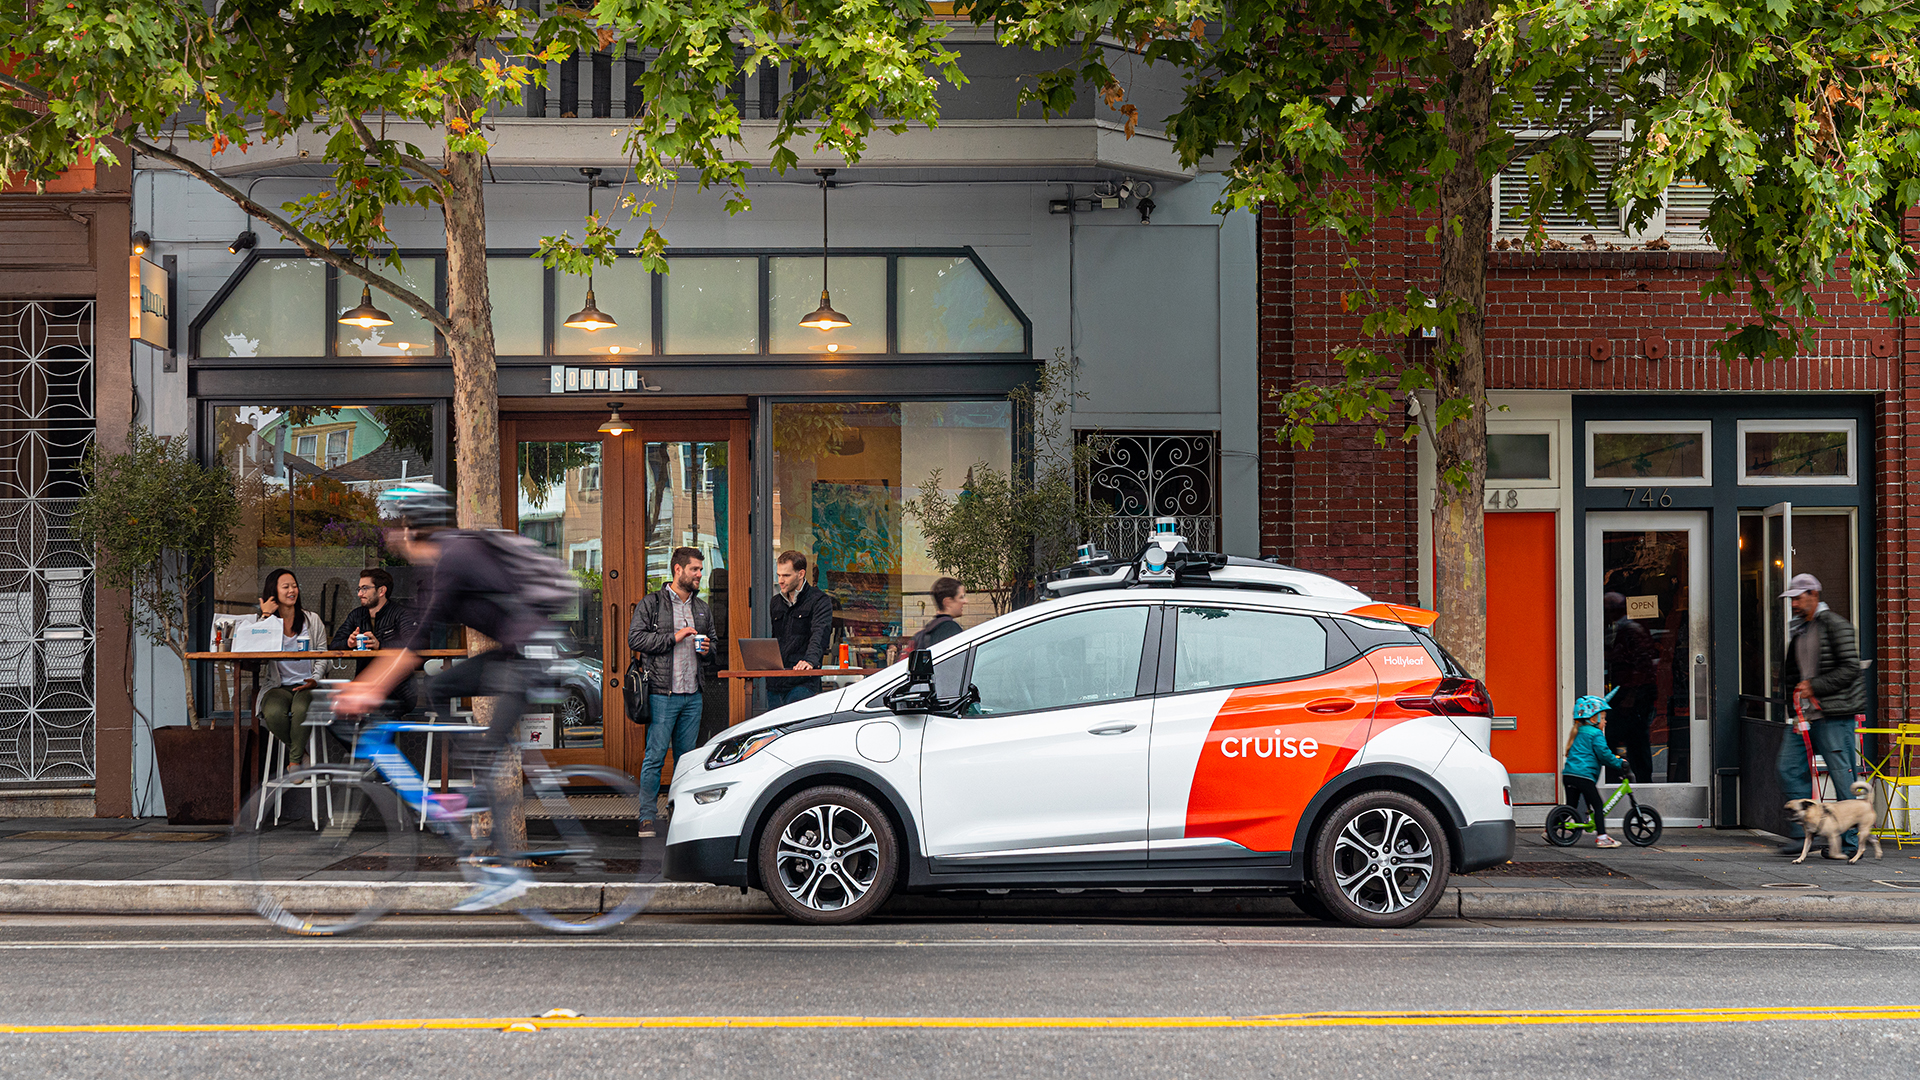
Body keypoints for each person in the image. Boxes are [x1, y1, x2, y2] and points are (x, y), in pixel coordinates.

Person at [334, 483, 555, 912]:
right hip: (513, 654)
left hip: (535, 656)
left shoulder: (454, 558)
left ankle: (503, 870)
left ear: (413, 529)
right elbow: (417, 641)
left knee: (485, 752)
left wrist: (366, 689)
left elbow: (414, 641)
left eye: (398, 528)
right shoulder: (441, 565)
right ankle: (465, 793)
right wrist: (370, 686)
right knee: (434, 688)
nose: (394, 538)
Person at [1775, 572, 1867, 857]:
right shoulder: (1800, 630)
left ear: (1814, 595)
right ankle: (1806, 831)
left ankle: (1850, 842)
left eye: (1798, 599)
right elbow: (1792, 674)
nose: (1793, 605)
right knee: (1787, 767)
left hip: (1835, 716)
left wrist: (1814, 686)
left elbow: (1851, 667)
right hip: (1805, 717)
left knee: (1842, 778)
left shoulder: (1836, 625)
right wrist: (1794, 710)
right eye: (1791, 600)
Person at [628, 547, 718, 837]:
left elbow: (714, 646)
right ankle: (646, 816)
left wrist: (707, 650)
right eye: (695, 569)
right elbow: (635, 638)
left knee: (687, 760)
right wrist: (674, 637)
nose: (700, 575)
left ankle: (680, 814)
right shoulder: (652, 603)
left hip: (693, 694)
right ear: (678, 570)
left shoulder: (702, 608)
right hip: (661, 694)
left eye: (701, 570)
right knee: (654, 756)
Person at [240, 568, 329, 769]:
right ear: (274, 592)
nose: (292, 591)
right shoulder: (267, 621)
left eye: (294, 586)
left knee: (301, 708)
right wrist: (265, 616)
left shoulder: (311, 620)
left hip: (309, 684)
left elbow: (324, 654)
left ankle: (295, 762)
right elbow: (254, 650)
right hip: (278, 686)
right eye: (286, 587)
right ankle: (300, 754)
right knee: (272, 711)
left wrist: (315, 678)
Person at [1602, 591, 1659, 784]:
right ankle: (1635, 778)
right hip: (1630, 691)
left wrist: (1632, 696)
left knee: (1627, 735)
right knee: (1633, 737)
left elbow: (1642, 664)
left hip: (1635, 693)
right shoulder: (1624, 628)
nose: (1606, 613)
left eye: (1609, 609)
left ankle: (1630, 778)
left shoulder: (1630, 629)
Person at [1560, 693, 1629, 849]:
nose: (1605, 721)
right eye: (1603, 718)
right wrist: (1620, 763)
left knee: (1571, 806)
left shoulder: (1579, 731)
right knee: (1598, 805)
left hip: (1569, 775)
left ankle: (1552, 829)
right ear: (1593, 719)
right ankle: (1602, 837)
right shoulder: (1595, 734)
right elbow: (1604, 754)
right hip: (1583, 777)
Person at [768, 549, 833, 709]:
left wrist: (810, 660)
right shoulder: (775, 602)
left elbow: (820, 633)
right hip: (777, 681)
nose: (781, 580)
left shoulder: (819, 600)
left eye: (786, 575)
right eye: (778, 575)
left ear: (801, 574)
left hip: (804, 681)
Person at [909, 577, 967, 654]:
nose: (965, 601)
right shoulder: (950, 628)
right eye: (961, 597)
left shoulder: (928, 629)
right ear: (947, 602)